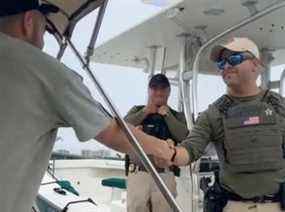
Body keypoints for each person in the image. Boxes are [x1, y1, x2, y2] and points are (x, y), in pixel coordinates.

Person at [0, 1, 174, 212]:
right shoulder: (43, 69)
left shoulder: (173, 114)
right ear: (29, 21)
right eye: (45, 29)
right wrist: (166, 150)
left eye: (162, 89)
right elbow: (114, 133)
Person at [161, 37, 285, 212]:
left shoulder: (280, 106)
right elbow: (189, 149)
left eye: (234, 59)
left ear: (255, 65)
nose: (226, 66)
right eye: (221, 63)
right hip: (233, 206)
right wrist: (169, 153)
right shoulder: (214, 113)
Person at [125, 74, 189, 212]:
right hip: (139, 173)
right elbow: (122, 128)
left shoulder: (177, 116)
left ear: (169, 91)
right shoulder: (136, 110)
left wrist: (167, 115)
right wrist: (145, 112)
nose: (159, 92)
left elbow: (184, 136)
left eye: (163, 88)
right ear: (149, 90)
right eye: (154, 88)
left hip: (165, 174)